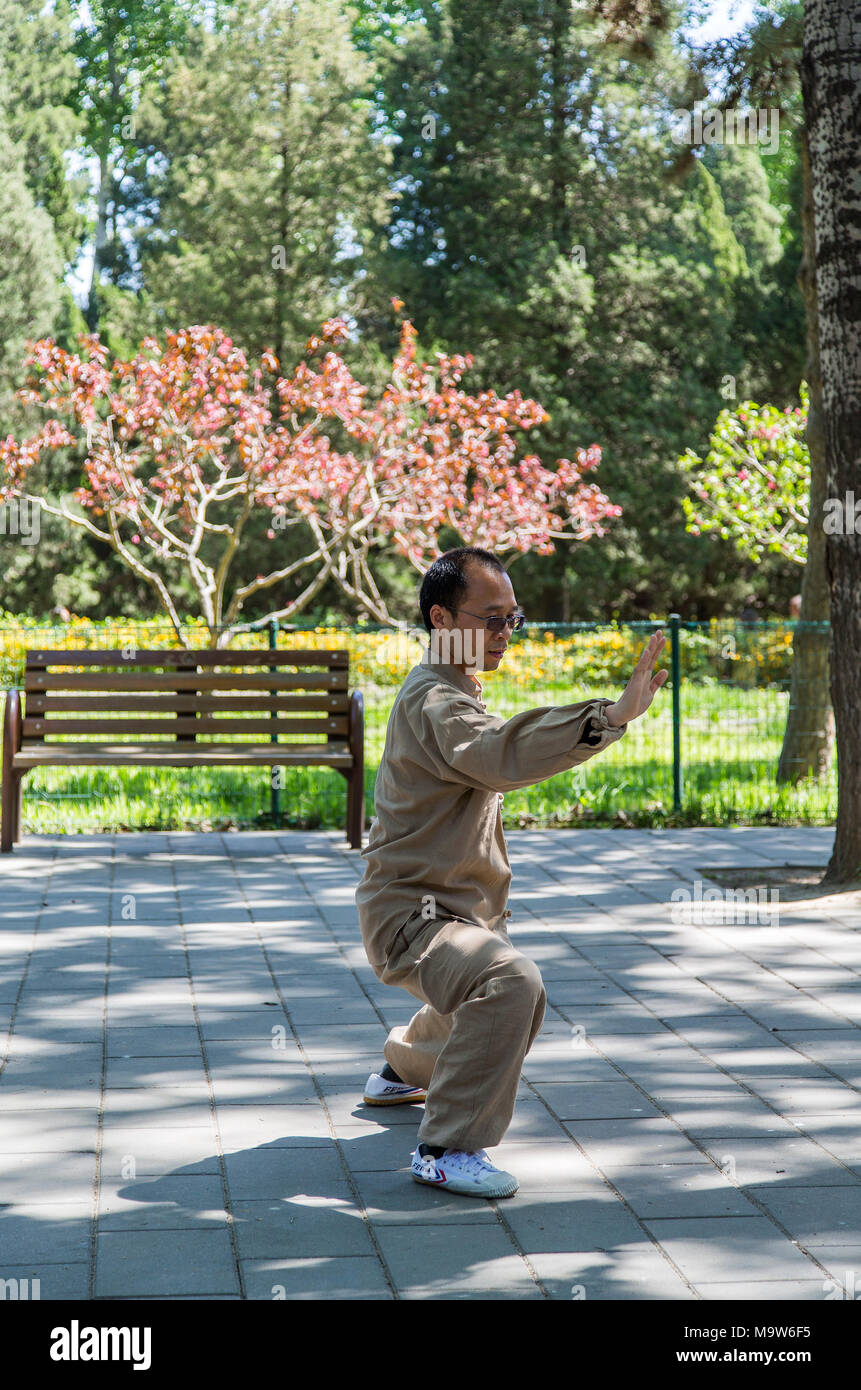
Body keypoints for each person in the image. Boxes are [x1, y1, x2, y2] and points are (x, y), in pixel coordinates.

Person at [354, 547, 668, 1198]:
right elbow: (499, 754)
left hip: (451, 915)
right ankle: (445, 1148)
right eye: (489, 618)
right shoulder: (435, 702)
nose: (503, 633)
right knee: (510, 984)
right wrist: (605, 718)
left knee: (484, 991)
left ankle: (399, 1067)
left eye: (511, 619)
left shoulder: (449, 690)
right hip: (411, 920)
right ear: (441, 619)